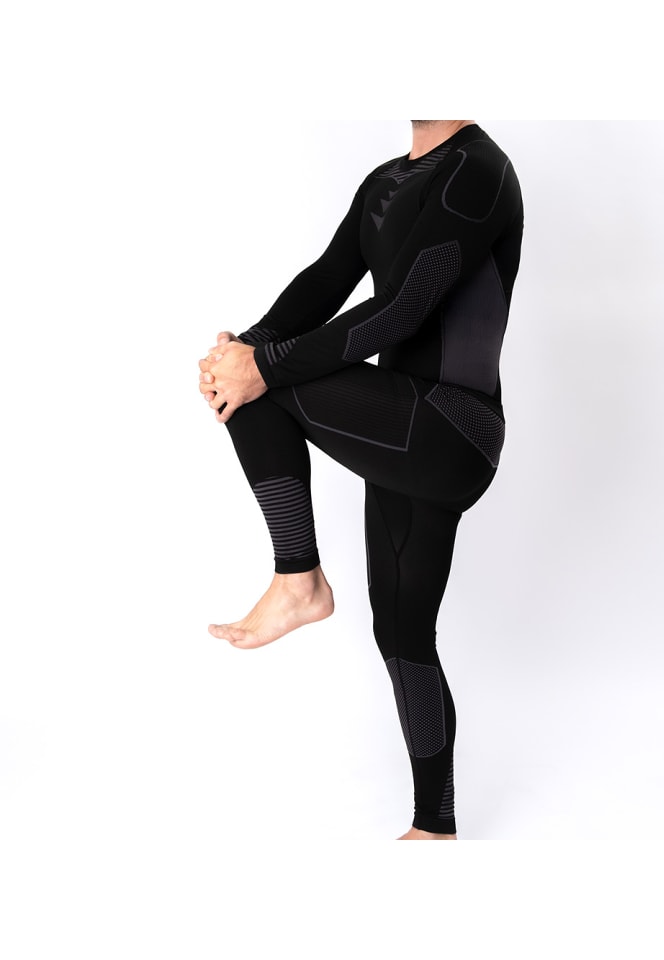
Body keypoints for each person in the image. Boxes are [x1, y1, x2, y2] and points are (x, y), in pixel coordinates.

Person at [198, 120, 523, 839]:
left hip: (453, 426)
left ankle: (299, 580)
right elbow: (324, 281)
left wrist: (262, 366)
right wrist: (243, 348)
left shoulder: (480, 168)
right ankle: (434, 828)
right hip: (400, 424)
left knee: (265, 385)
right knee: (402, 634)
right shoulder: (384, 180)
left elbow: (407, 306)